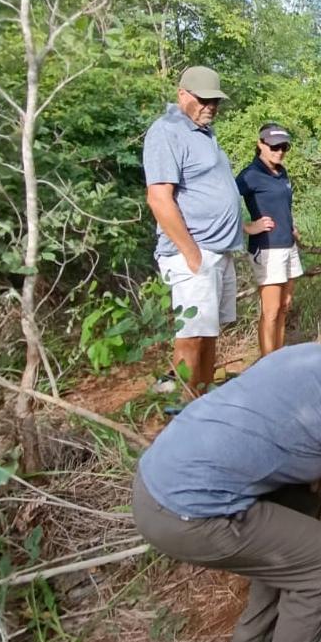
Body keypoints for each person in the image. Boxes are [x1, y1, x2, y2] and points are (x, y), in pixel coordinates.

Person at [132, 321, 321, 642]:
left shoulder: (310, 354)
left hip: (152, 479)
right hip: (184, 512)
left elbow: (271, 431)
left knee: (301, 507)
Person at [144, 66, 241, 397]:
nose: (211, 106)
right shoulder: (166, 131)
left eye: (215, 101)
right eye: (204, 99)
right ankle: (181, 414)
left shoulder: (203, 132)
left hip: (217, 252)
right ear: (182, 94)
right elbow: (159, 197)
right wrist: (192, 254)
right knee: (192, 336)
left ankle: (203, 399)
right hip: (194, 253)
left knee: (209, 331)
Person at [236, 122, 303, 357]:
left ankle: (279, 356)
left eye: (284, 147)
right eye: (274, 146)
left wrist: (290, 224)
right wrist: (246, 227)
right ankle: (268, 364)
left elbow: (281, 204)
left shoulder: (281, 171)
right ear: (260, 144)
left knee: (285, 306)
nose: (280, 151)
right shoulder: (250, 175)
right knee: (271, 310)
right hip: (267, 248)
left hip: (288, 244)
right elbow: (225, 203)